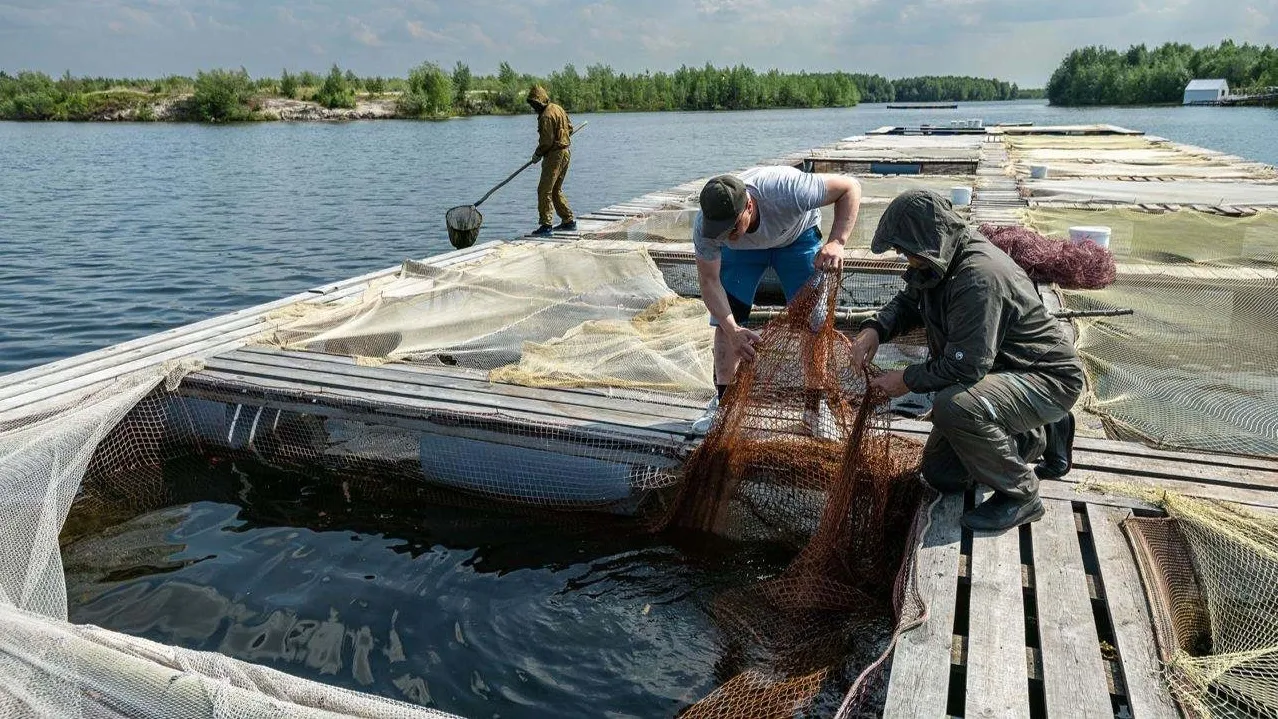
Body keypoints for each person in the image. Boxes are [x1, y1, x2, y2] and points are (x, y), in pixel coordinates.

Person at [849, 189, 1084, 532]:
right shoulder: (939, 257)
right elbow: (909, 301)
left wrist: (905, 379)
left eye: (902, 247)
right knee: (942, 474)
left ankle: (1022, 496)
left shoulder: (978, 277)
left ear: (924, 239)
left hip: (1046, 379)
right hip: (1001, 372)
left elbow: (965, 367)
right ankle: (1039, 433)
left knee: (955, 406)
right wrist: (875, 328)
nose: (900, 254)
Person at [690, 166, 863, 432]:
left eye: (731, 228)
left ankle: (815, 410)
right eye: (719, 232)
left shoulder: (787, 189)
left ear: (748, 205)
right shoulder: (707, 227)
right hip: (744, 254)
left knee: (814, 322)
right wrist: (733, 329)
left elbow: (850, 187)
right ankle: (723, 406)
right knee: (726, 322)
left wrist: (837, 241)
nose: (726, 237)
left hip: (796, 238)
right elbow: (709, 282)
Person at [526, 85, 575, 236]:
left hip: (555, 156)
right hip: (566, 152)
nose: (534, 107)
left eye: (535, 104)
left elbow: (546, 142)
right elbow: (570, 128)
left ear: (540, 101)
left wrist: (537, 153)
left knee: (544, 189)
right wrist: (562, 136)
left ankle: (546, 225)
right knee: (555, 189)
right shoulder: (558, 109)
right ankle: (568, 221)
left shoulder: (546, 116)